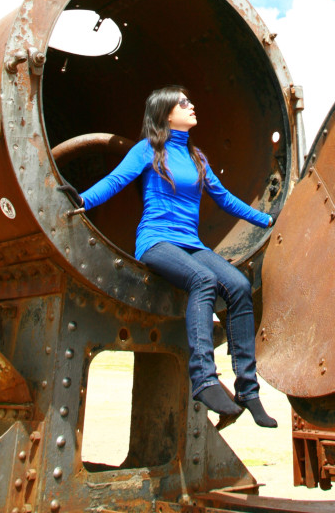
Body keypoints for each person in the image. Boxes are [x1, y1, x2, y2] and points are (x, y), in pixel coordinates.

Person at [58, 84, 277, 428]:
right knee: (204, 280)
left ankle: (248, 390)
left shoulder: (196, 157)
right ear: (165, 114)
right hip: (156, 241)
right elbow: (116, 180)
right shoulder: (148, 150)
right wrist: (83, 200)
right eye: (183, 102)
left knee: (238, 286)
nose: (191, 105)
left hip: (191, 243)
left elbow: (225, 199)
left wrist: (267, 220)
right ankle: (204, 379)